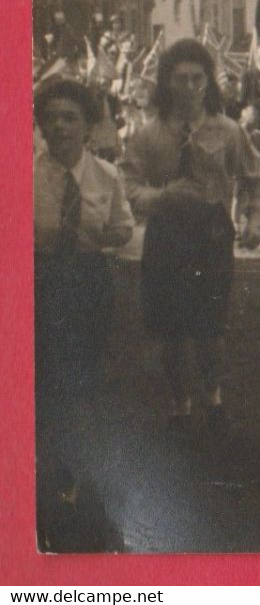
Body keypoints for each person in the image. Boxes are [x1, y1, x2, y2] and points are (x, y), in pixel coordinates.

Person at [120, 39, 260, 433]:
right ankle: (180, 404)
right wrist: (160, 195)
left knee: (210, 326)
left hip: (212, 235)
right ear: (166, 83)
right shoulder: (148, 134)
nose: (189, 87)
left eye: (197, 79)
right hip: (167, 233)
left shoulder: (228, 131)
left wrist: (255, 221)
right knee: (171, 329)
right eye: (180, 78)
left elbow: (256, 178)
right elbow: (128, 184)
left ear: (208, 83)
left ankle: (214, 398)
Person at [34, 79, 134, 464]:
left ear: (88, 127)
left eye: (69, 118)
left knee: (85, 363)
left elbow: (123, 225)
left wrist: (112, 233)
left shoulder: (107, 175)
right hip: (40, 277)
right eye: (50, 118)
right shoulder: (22, 174)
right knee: (43, 363)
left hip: (89, 278)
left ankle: (80, 454)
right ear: (40, 125)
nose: (59, 126)